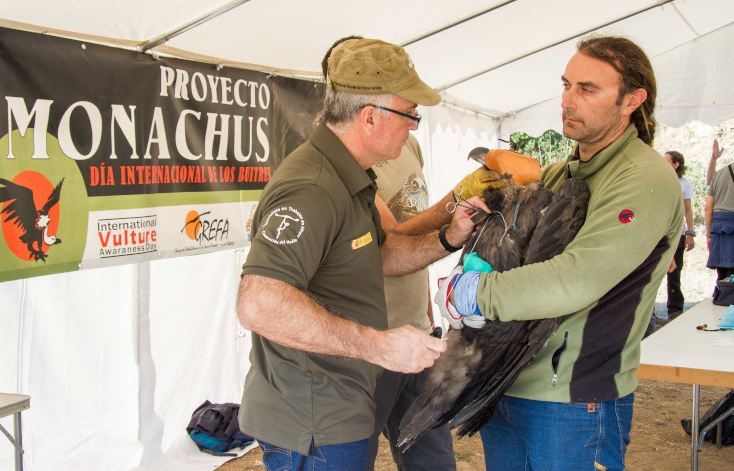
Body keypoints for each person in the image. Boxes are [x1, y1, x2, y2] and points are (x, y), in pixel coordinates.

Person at [236, 38, 490, 471]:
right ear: (370, 116)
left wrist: (449, 236)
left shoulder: (350, 175)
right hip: (312, 422)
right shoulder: (313, 187)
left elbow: (383, 253)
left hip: (338, 409)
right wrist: (379, 346)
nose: (414, 126)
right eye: (410, 114)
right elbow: (259, 303)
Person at [440, 35, 684, 470]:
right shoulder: (555, 174)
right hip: (505, 381)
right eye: (566, 85)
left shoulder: (645, 178)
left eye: (587, 89)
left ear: (632, 99)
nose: (568, 101)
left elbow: (576, 278)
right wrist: (482, 227)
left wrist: (475, 292)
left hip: (573, 398)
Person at [663, 150, 695, 319]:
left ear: (676, 164)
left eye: (667, 160)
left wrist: (690, 233)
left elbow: (688, 210)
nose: (663, 162)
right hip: (660, 232)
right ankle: (649, 314)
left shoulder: (684, 183)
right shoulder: (659, 180)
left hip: (678, 233)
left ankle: (674, 310)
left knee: (675, 273)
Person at [706, 140, 734, 281]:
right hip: (727, 227)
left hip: (719, 229)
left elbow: (708, 208)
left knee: (723, 274)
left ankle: (723, 298)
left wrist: (709, 234)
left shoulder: (720, 174)